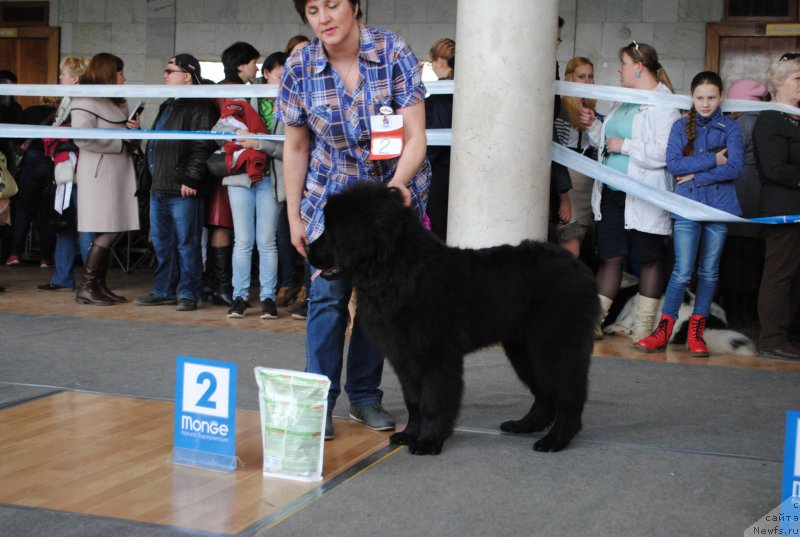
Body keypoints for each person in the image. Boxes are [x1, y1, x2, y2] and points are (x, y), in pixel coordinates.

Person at [278, 0, 431, 439]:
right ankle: (318, 403)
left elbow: (415, 135)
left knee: (377, 302)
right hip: (330, 199)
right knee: (326, 300)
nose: (324, 17)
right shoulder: (299, 65)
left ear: (356, 6)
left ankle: (365, 397)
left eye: (332, 4)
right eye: (312, 9)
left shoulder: (393, 50)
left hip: (390, 200)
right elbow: (296, 147)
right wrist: (294, 215)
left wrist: (397, 184)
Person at [635, 71, 744, 356]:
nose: (705, 103)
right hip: (686, 208)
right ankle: (663, 331)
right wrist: (712, 160)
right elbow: (673, 164)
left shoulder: (730, 128)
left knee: (709, 271)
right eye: (699, 98)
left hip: (719, 207)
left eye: (711, 97)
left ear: (721, 97)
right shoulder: (680, 126)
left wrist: (696, 176)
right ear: (691, 98)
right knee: (682, 271)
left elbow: (734, 168)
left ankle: (697, 334)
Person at [583, 41, 681, 341]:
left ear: (639, 65)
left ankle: (642, 328)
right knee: (611, 257)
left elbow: (665, 153)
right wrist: (592, 127)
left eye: (623, 63)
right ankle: (593, 326)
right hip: (612, 193)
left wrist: (624, 146)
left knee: (649, 258)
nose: (619, 69)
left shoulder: (666, 105)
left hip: (644, 194)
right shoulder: (622, 100)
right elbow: (607, 141)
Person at [134, 54, 219, 311]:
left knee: (187, 243)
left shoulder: (200, 105)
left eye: (170, 70)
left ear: (187, 75)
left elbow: (202, 144)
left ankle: (188, 293)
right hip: (160, 183)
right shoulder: (169, 103)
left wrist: (191, 177)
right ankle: (164, 290)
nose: (165, 74)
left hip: (181, 186)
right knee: (162, 243)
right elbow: (160, 142)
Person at [213, 41, 282, 320]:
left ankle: (268, 298)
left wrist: (259, 143)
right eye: (280, 73)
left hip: (271, 178)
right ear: (265, 73)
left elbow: (289, 148)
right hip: (241, 177)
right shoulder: (239, 97)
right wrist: (236, 138)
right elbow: (218, 131)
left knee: (266, 241)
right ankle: (239, 296)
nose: (285, 79)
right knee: (242, 241)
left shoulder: (288, 104)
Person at [70, 53, 140, 306]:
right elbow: (83, 138)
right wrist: (119, 142)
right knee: (108, 228)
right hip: (100, 171)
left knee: (115, 226)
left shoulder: (116, 99)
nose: (124, 77)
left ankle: (98, 284)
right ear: (109, 73)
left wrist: (132, 131)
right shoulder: (85, 100)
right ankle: (87, 286)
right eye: (120, 72)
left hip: (117, 168)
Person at [752, 53, 800, 360]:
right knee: (780, 272)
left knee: (795, 274)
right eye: (798, 78)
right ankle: (771, 336)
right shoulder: (770, 118)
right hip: (784, 207)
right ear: (778, 83)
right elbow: (773, 169)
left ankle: (788, 332)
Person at [38, 55, 95, 292]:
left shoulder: (84, 99)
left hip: (80, 168)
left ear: (76, 78)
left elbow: (78, 133)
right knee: (64, 223)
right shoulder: (68, 98)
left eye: (63, 73)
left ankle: (91, 280)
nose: (60, 77)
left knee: (84, 226)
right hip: (65, 169)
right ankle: (64, 277)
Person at [718, 79, 769, 328]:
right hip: (762, 198)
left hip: (737, 194)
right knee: (753, 257)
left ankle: (732, 310)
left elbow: (726, 161)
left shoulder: (738, 125)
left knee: (732, 256)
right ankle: (749, 312)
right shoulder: (769, 121)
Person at [554, 56, 601, 258]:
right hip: (568, 181)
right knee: (570, 245)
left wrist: (593, 123)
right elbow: (555, 152)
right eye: (581, 76)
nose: (587, 81)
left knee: (578, 240)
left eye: (590, 77)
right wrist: (563, 194)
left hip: (587, 181)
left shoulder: (593, 111)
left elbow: (600, 145)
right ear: (570, 78)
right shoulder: (560, 109)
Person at [5, 94, 58, 267]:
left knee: (24, 210)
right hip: (53, 160)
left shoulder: (30, 111)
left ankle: (14, 254)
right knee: (47, 211)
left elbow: (16, 136)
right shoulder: (61, 114)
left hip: (31, 161)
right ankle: (45, 258)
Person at [424, 37, 454, 242]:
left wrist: (423, 160)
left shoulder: (442, 91)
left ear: (441, 61)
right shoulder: (459, 88)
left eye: (432, 61)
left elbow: (440, 132)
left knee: (438, 227)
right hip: (452, 166)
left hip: (440, 168)